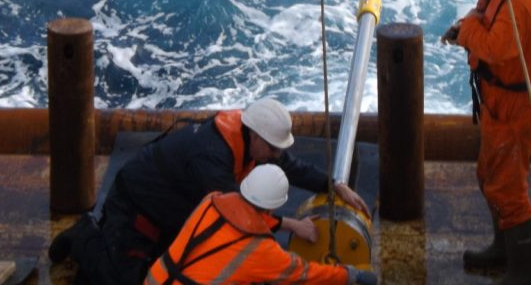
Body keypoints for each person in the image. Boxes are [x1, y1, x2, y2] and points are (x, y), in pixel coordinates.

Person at [49, 97, 369, 285]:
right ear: (256, 136)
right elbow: (237, 216)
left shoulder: (253, 140)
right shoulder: (212, 159)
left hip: (179, 204)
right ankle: (83, 235)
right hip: (137, 202)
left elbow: (291, 166)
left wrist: (334, 185)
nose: (276, 155)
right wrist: (293, 225)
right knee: (126, 279)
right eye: (273, 148)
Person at [440, 0, 531, 285]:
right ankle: (503, 250)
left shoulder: (517, 6)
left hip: (517, 108)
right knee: (489, 177)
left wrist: (468, 29)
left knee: (509, 192)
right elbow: (483, 20)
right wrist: (467, 26)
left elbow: (496, 48)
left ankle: (523, 275)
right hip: (498, 104)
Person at [144, 164, 377, 285]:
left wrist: (292, 225)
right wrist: (350, 275)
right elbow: (304, 274)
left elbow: (243, 216)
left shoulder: (211, 201)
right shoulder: (260, 251)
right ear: (273, 207)